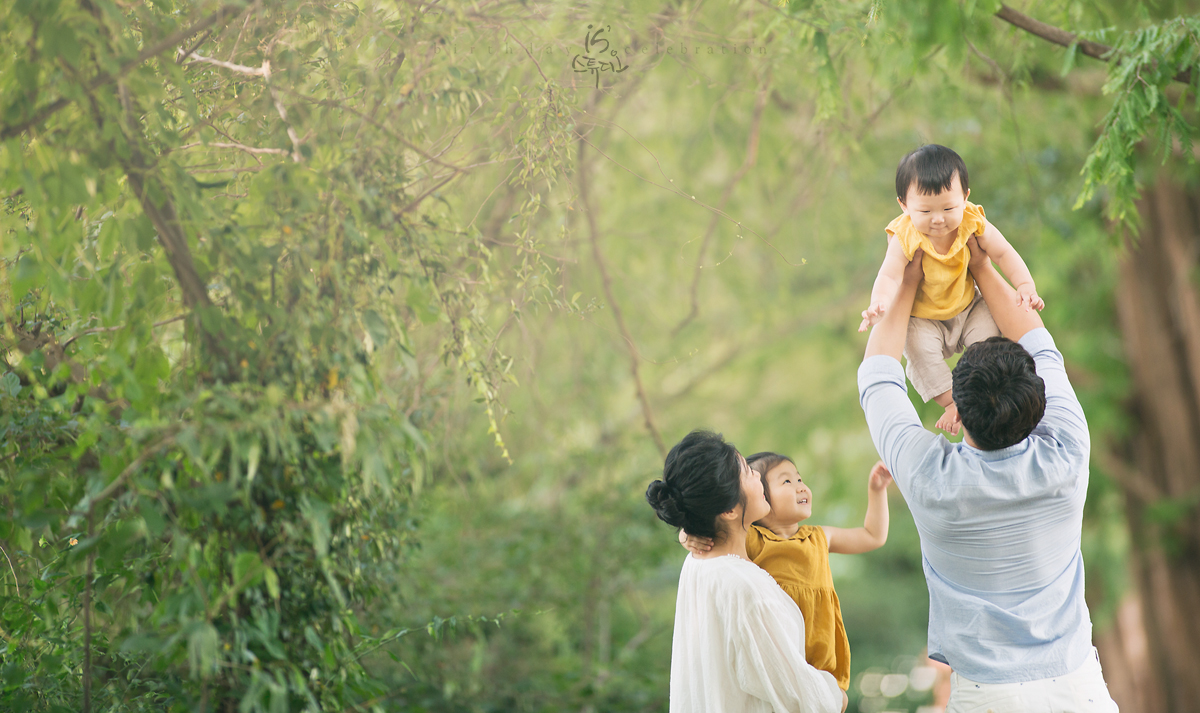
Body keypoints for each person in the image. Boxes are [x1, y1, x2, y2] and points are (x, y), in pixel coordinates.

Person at [857, 239, 1118, 712]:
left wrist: (909, 280)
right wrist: (981, 265)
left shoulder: (928, 477)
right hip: (1079, 687)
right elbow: (1040, 343)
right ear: (1036, 400)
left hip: (988, 697)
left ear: (958, 405)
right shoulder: (1067, 451)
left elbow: (878, 377)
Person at [645, 430, 846, 713]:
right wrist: (836, 696)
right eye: (747, 473)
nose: (757, 476)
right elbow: (800, 697)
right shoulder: (746, 588)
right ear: (728, 509)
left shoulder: (697, 563)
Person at [858, 144, 1045, 434]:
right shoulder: (905, 233)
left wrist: (1024, 285)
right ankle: (951, 401)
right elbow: (890, 274)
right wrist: (879, 303)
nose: (938, 218)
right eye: (925, 210)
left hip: (969, 307)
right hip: (925, 319)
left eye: (948, 207)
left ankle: (983, 390)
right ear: (904, 206)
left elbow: (1003, 253)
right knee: (918, 351)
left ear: (965, 197)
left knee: (991, 345)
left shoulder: (972, 220)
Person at [680, 453, 893, 692]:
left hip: (823, 663)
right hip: (783, 657)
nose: (801, 487)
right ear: (760, 497)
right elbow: (711, 532)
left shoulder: (819, 537)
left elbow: (873, 536)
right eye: (787, 482)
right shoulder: (753, 539)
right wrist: (687, 536)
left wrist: (877, 490)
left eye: (800, 479)